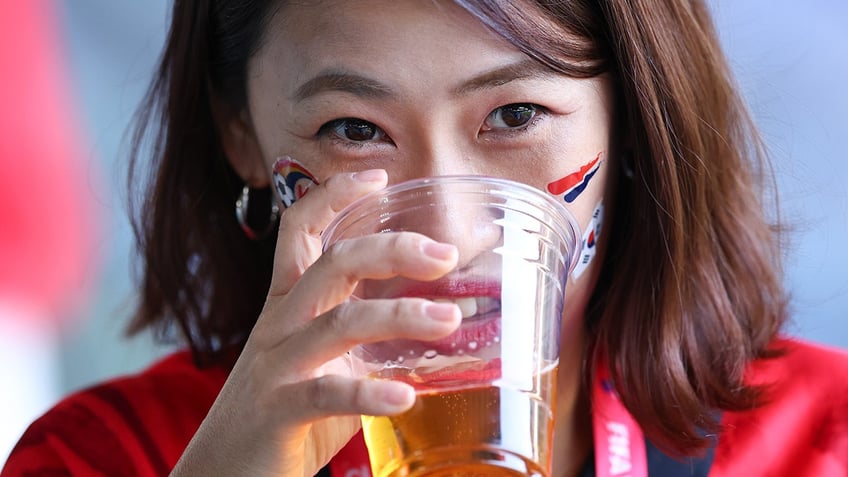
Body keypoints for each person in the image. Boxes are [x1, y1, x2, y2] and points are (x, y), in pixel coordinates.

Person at [3, 0, 847, 476]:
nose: (449, 232)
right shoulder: (103, 457)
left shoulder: (824, 439)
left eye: (515, 115)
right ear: (242, 138)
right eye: (354, 129)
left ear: (631, 118)